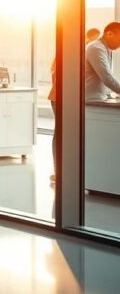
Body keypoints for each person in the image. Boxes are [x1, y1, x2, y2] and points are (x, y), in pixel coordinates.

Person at [49, 28, 103, 183]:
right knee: (61, 133)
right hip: (61, 97)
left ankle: (67, 171)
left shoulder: (86, 50)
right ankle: (59, 172)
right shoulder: (79, 50)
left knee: (67, 133)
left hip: (69, 97)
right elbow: (57, 73)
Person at [85, 22, 120, 101]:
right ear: (109, 34)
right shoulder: (96, 48)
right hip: (91, 100)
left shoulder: (106, 48)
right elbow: (106, 77)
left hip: (98, 98)